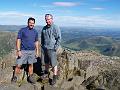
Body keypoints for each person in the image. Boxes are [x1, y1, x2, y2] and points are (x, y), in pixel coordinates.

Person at [11, 17, 39, 84]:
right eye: (30, 23)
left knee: (31, 65)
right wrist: (18, 50)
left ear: (34, 24)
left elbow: (36, 41)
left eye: (33, 23)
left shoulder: (35, 32)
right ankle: (14, 77)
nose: (31, 24)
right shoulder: (22, 30)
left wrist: (37, 50)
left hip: (32, 51)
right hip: (23, 51)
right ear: (28, 23)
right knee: (19, 65)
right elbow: (18, 40)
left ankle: (30, 77)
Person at [41, 14, 61, 85]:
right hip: (45, 48)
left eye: (49, 19)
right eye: (46, 19)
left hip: (52, 48)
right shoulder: (44, 28)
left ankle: (54, 77)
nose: (47, 21)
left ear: (52, 19)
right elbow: (42, 38)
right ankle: (46, 73)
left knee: (53, 63)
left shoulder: (56, 27)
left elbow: (59, 38)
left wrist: (55, 48)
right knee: (46, 62)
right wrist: (42, 46)